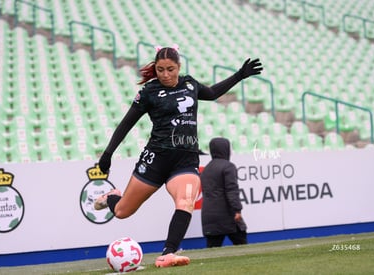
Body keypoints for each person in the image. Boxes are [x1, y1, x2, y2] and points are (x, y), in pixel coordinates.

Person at [94, 45, 262, 267]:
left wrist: (240, 75)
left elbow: (211, 94)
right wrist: (107, 155)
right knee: (123, 211)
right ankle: (111, 196)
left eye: (170, 69)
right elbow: (126, 123)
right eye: (160, 69)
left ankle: (168, 253)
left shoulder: (190, 84)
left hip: (185, 160)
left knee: (186, 201)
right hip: (156, 158)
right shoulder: (149, 92)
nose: (165, 75)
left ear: (179, 67)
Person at [200, 137, 247, 248]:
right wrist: (237, 209)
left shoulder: (206, 169)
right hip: (228, 215)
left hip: (208, 216)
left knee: (213, 249)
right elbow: (232, 190)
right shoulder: (228, 167)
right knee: (242, 245)